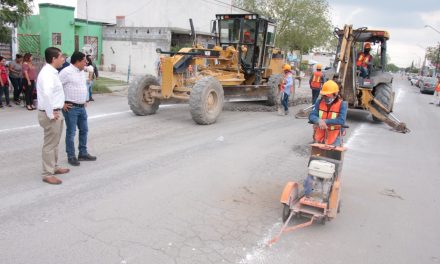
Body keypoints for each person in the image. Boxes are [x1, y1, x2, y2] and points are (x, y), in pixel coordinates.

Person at [37, 47, 69, 185]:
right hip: (51, 113)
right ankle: (47, 173)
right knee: (50, 144)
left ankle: (54, 167)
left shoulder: (52, 72)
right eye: (61, 56)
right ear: (53, 59)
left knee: (55, 142)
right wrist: (50, 114)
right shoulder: (48, 74)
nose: (63, 59)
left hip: (56, 111)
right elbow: (46, 95)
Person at [59, 51, 97, 167]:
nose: (86, 62)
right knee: (71, 133)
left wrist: (85, 99)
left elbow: (82, 86)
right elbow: (56, 88)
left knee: (84, 130)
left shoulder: (81, 71)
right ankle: (71, 156)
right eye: (84, 60)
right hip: (71, 108)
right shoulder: (66, 72)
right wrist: (62, 104)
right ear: (77, 61)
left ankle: (83, 153)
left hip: (81, 107)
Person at [309, 80, 347, 146]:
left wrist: (325, 121)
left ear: (335, 94)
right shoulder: (319, 102)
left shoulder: (342, 104)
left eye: (328, 95)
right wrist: (318, 120)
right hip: (320, 135)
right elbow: (312, 115)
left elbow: (341, 120)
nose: (325, 97)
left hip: (334, 135)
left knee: (332, 154)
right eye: (324, 95)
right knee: (316, 154)